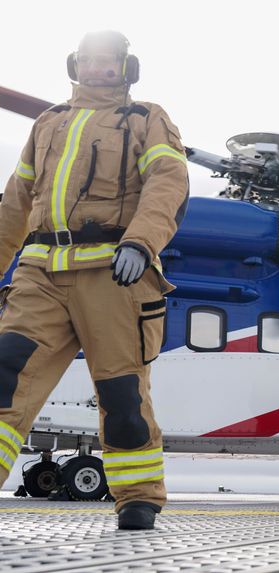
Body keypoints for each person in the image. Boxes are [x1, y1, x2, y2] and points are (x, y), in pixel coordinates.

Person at [0, 31, 189, 530]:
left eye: (108, 63)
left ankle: (138, 495)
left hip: (113, 273)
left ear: (127, 68)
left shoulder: (148, 119)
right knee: (4, 374)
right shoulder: (48, 123)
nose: (97, 70)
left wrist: (141, 242)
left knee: (122, 395)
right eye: (88, 61)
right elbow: (14, 205)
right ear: (73, 64)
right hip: (41, 272)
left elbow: (168, 185)